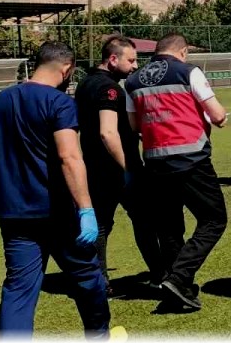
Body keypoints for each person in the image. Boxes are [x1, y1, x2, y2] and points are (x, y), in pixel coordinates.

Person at [0, 41, 110, 337]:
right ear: (67, 69)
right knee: (88, 278)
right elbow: (70, 157)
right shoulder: (59, 102)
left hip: (14, 212)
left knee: (19, 288)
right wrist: (86, 209)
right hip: (58, 211)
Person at [125, 33, 229, 312]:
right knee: (214, 220)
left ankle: (177, 288)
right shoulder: (188, 71)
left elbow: (134, 126)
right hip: (191, 159)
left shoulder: (133, 81)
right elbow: (217, 115)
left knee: (169, 228)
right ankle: (179, 277)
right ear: (182, 52)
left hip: (155, 162)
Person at [75, 34, 164, 297]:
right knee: (144, 219)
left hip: (93, 166)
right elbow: (107, 132)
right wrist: (128, 168)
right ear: (113, 59)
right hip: (115, 168)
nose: (135, 66)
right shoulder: (109, 88)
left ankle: (99, 280)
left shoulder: (85, 83)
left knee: (101, 224)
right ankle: (159, 274)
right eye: (131, 60)